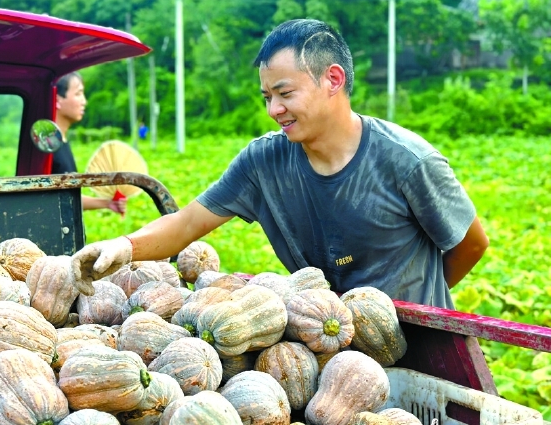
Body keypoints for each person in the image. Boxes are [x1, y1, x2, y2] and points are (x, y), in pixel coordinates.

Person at [71, 19, 489, 308]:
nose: (274, 109)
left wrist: (410, 306)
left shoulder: (408, 160)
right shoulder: (264, 162)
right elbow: (186, 224)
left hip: (424, 349)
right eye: (267, 97)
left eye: (285, 93)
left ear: (333, 80)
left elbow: (471, 245)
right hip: (330, 345)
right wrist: (123, 247)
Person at [51, 72, 126, 215]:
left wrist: (108, 203)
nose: (84, 101)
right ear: (57, 100)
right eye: (78, 94)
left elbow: (67, 197)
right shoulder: (49, 147)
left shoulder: (62, 141)